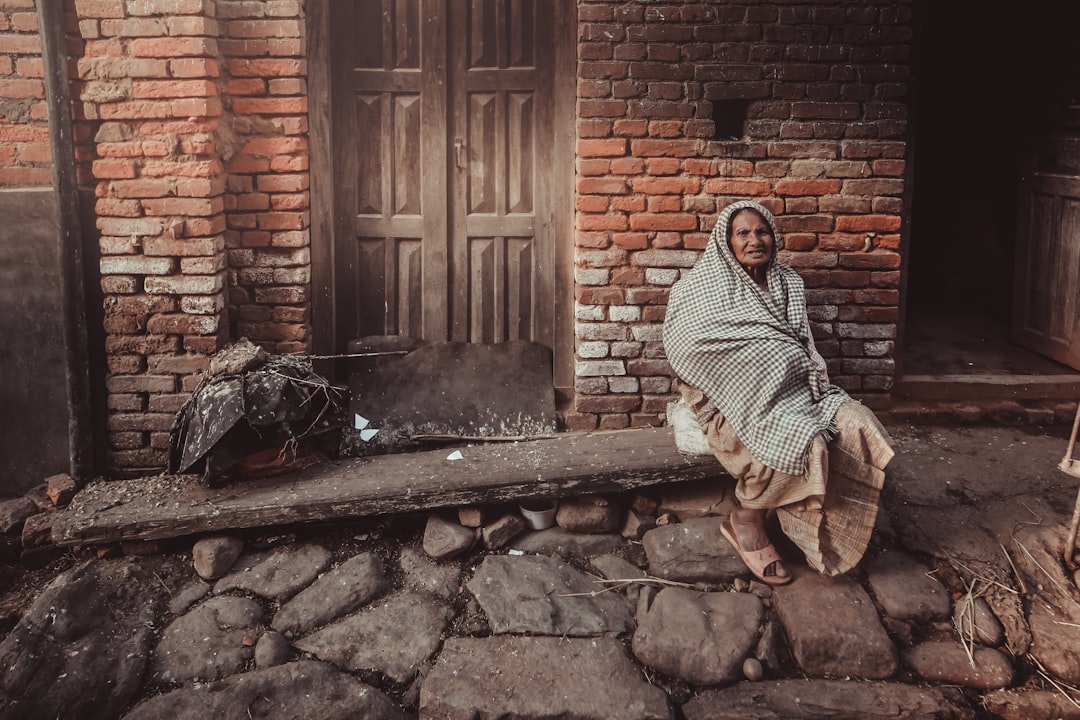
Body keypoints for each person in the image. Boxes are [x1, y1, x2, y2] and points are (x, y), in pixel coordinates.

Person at [662, 199, 895, 585]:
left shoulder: (788, 282)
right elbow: (686, 349)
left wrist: (795, 371)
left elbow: (802, 344)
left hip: (796, 388)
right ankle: (746, 519)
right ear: (726, 241)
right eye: (743, 233)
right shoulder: (698, 288)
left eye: (762, 231)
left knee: (858, 423)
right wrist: (760, 366)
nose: (755, 240)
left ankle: (825, 529)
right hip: (730, 397)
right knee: (804, 443)